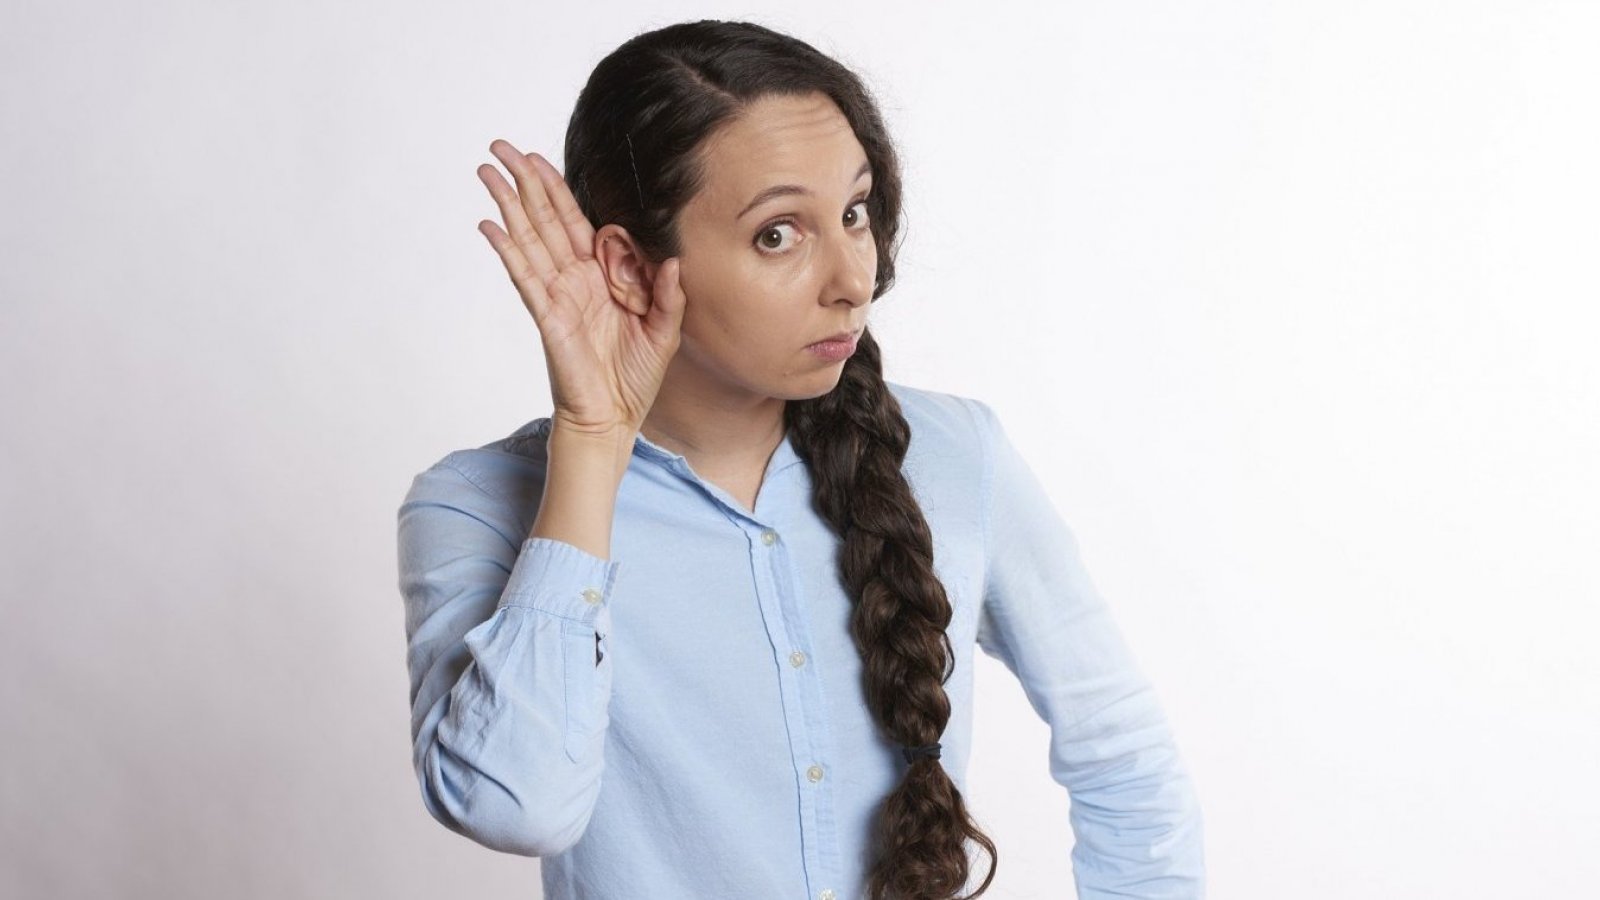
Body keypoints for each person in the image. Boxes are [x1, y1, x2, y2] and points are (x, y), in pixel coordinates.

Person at [396, 18, 1205, 900]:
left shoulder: (955, 455)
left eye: (853, 213)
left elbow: (1122, 756)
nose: (853, 277)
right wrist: (592, 441)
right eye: (779, 234)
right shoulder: (472, 506)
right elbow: (516, 808)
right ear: (628, 265)